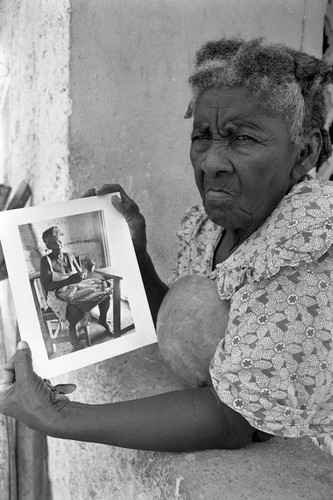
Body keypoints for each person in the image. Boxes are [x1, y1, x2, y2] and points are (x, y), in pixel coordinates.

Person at [1, 37, 333, 452]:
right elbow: (185, 333)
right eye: (202, 137)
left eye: (243, 139)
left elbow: (232, 420)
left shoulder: (312, 238)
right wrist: (135, 258)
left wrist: (57, 415)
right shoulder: (210, 226)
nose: (211, 162)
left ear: (305, 151)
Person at [40, 226, 113, 350]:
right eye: (52, 242)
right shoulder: (45, 261)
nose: (57, 243)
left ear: (61, 240)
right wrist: (68, 281)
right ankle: (72, 328)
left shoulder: (68, 256)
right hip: (57, 295)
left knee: (105, 296)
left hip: (75, 288)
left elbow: (81, 276)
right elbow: (46, 286)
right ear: (48, 246)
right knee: (75, 308)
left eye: (57, 239)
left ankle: (102, 319)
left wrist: (87, 269)